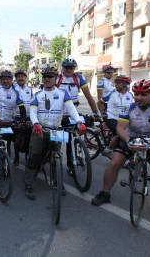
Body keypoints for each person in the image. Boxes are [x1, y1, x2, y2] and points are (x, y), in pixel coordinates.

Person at [91, 79, 150, 221]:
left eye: (144, 95)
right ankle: (105, 193)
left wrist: (149, 142)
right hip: (130, 139)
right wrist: (129, 140)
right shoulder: (128, 108)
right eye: (136, 94)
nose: (138, 98)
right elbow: (120, 128)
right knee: (114, 163)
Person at [23, 65, 86, 200]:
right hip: (41, 130)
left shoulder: (63, 93)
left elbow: (71, 108)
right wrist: (36, 123)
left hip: (56, 131)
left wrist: (79, 121)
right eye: (45, 76)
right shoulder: (38, 94)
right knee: (34, 157)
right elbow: (32, 112)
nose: (47, 79)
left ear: (55, 78)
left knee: (56, 157)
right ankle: (28, 183)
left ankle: (58, 182)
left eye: (50, 76)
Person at [57, 58, 99, 174]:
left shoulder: (79, 78)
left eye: (71, 68)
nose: (69, 70)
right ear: (63, 68)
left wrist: (96, 112)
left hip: (72, 113)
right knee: (57, 139)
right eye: (67, 67)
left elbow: (89, 96)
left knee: (71, 138)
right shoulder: (57, 78)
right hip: (58, 113)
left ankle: (70, 165)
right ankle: (53, 159)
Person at [99, 75, 133, 155]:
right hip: (111, 117)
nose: (116, 84)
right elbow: (99, 103)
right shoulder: (112, 94)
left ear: (125, 84)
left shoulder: (130, 95)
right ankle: (108, 149)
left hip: (123, 119)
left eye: (118, 83)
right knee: (121, 133)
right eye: (115, 83)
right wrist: (102, 112)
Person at [13, 69, 33, 166]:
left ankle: (28, 156)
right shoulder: (13, 89)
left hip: (29, 117)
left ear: (25, 78)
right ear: (16, 79)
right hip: (17, 117)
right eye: (19, 77)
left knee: (30, 138)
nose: (21, 78)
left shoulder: (29, 89)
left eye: (22, 77)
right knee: (17, 138)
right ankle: (16, 157)